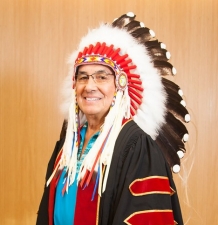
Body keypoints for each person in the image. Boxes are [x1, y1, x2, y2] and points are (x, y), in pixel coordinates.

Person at [36, 12, 190, 225]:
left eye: (102, 76)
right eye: (83, 77)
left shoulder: (136, 146)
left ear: (120, 85)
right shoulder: (69, 142)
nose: (90, 86)